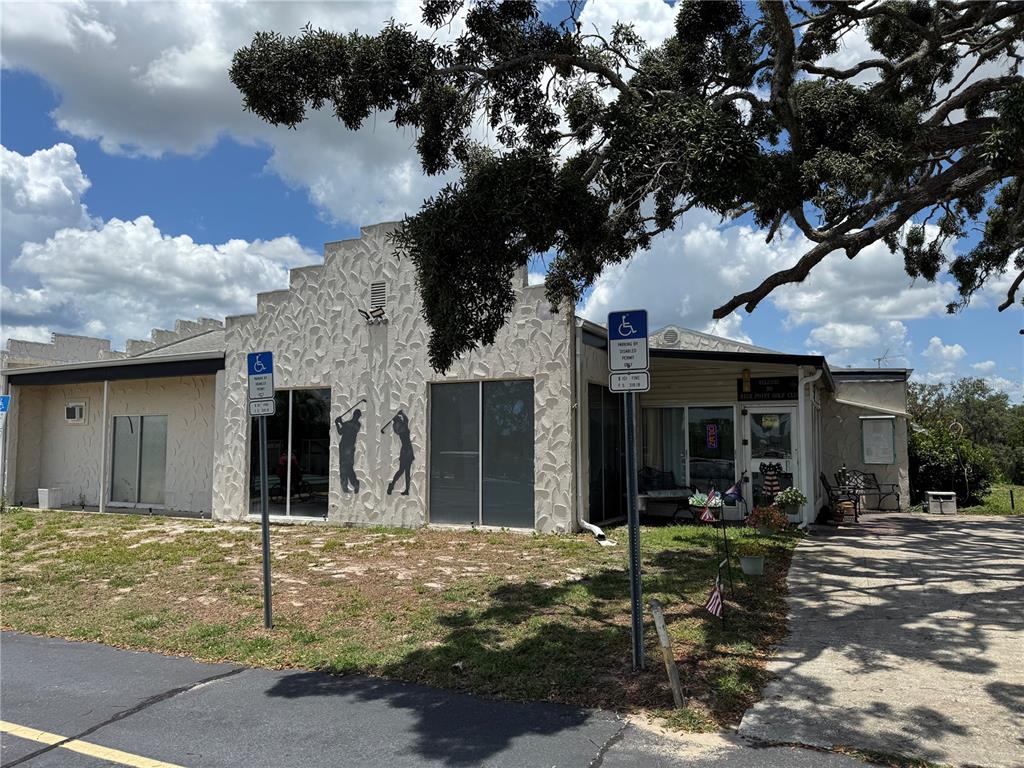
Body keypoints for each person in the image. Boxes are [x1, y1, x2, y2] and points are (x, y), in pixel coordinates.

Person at [383, 409, 414, 496]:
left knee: (404, 471)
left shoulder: (397, 428)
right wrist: (402, 414)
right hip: (407, 450)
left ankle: (404, 489)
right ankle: (392, 485)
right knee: (403, 471)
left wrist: (398, 416)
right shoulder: (403, 427)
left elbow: (402, 423)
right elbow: (406, 420)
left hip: (406, 450)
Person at [335, 409, 361, 493]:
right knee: (348, 467)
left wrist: (337, 422)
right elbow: (343, 429)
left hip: (345, 447)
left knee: (344, 467)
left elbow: (341, 431)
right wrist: (339, 422)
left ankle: (345, 485)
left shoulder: (352, 424)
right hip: (348, 447)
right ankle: (354, 484)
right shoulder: (356, 424)